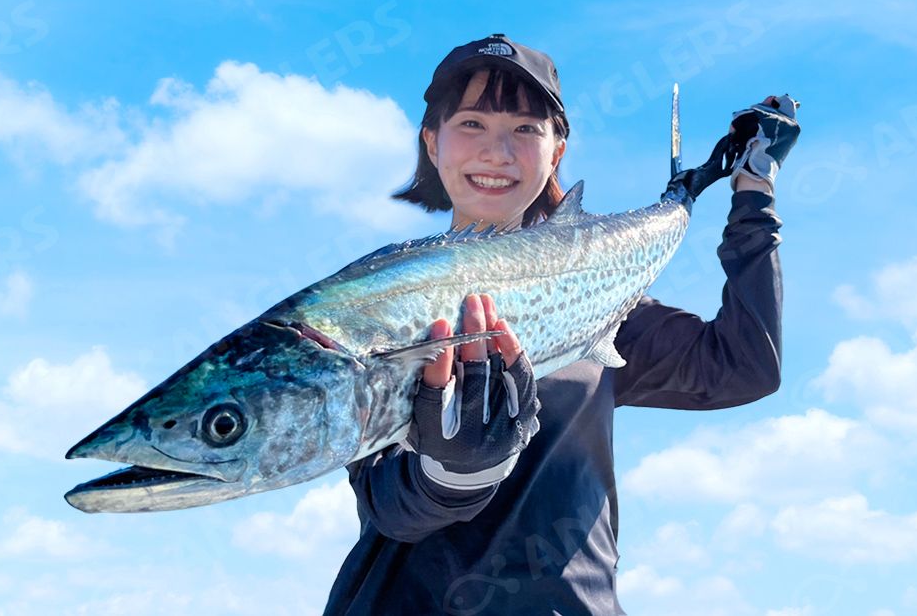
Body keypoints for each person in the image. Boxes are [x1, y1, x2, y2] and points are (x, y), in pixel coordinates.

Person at [324, 33, 799, 615]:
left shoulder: (595, 302)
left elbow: (745, 368)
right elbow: (389, 505)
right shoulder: (382, 304)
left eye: (525, 129)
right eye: (472, 123)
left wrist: (753, 191)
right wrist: (452, 472)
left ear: (556, 152)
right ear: (432, 142)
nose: (497, 152)